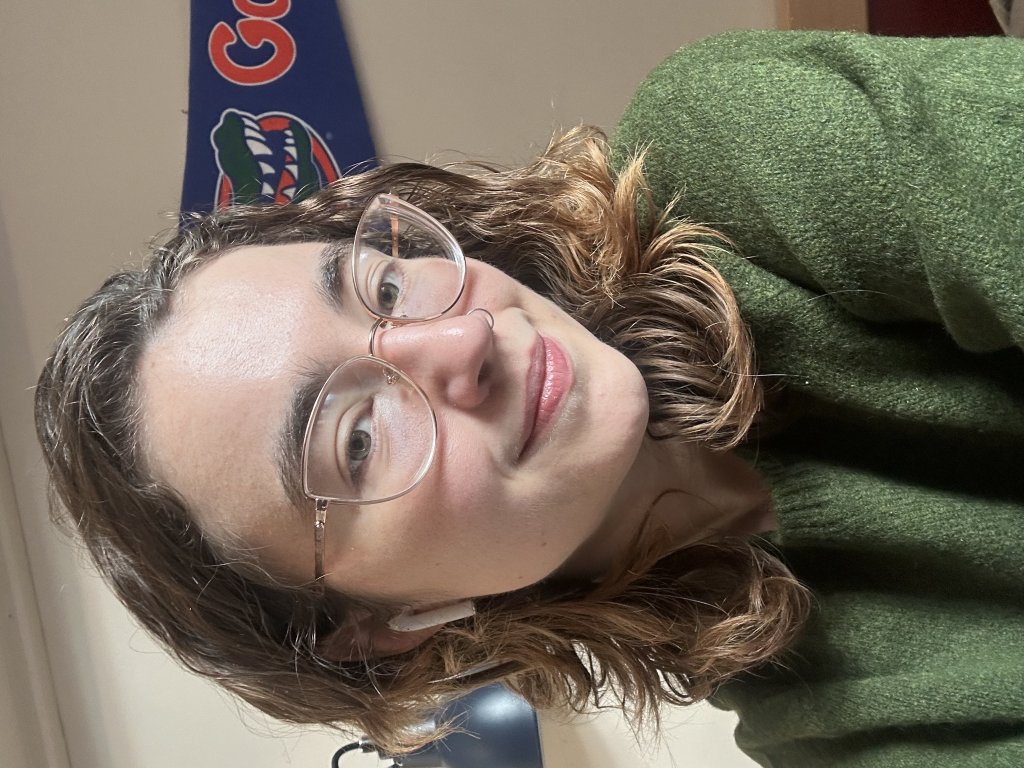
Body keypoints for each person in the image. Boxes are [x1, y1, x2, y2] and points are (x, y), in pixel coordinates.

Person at [35, 29, 1024, 766]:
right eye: (360, 437)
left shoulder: (723, 163)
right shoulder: (824, 728)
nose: (463, 339)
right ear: (386, 623)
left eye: (383, 287)